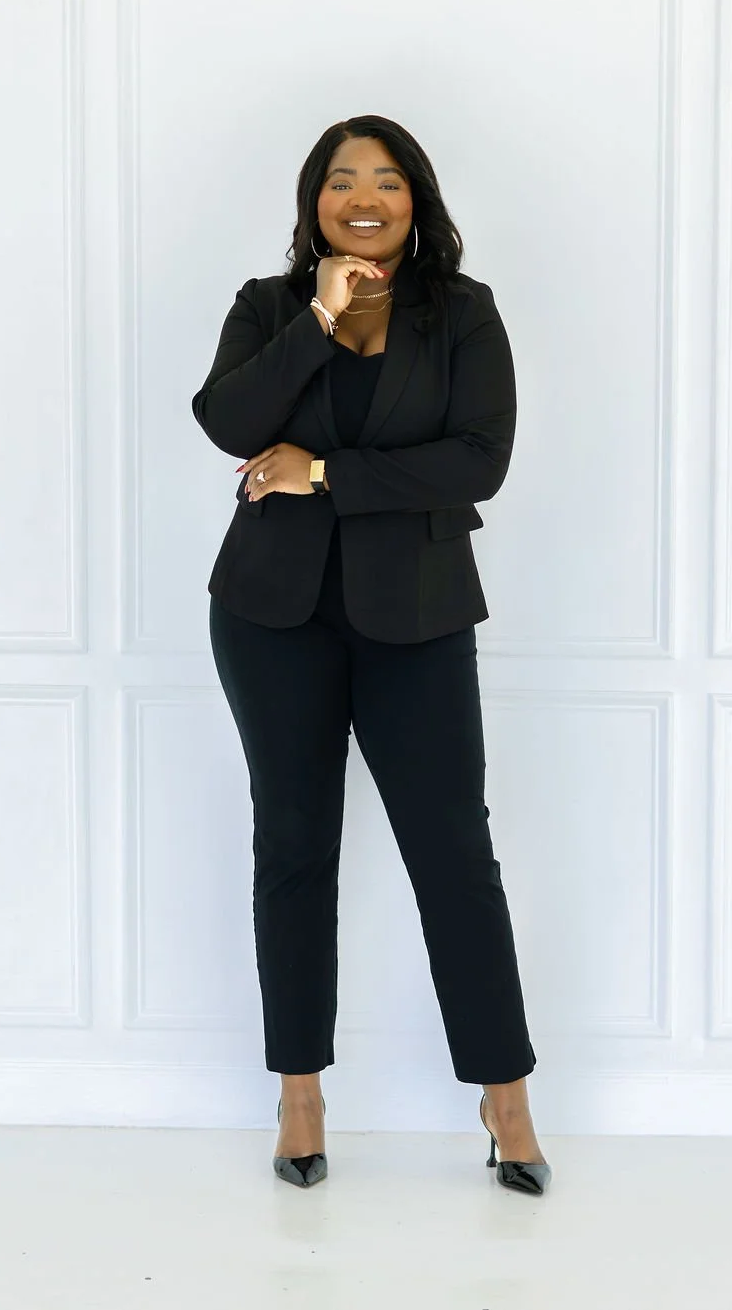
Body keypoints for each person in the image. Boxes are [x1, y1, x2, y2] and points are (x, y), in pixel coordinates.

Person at [192, 114, 552, 1196]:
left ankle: (506, 1098)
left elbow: (478, 460)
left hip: (421, 614)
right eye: (341, 179)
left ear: (416, 200)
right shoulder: (267, 306)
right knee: (293, 846)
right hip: (271, 613)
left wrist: (324, 472)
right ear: (314, 201)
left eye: (386, 180)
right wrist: (319, 317)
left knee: (453, 856)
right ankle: (299, 1093)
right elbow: (225, 417)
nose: (364, 196)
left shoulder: (464, 313)